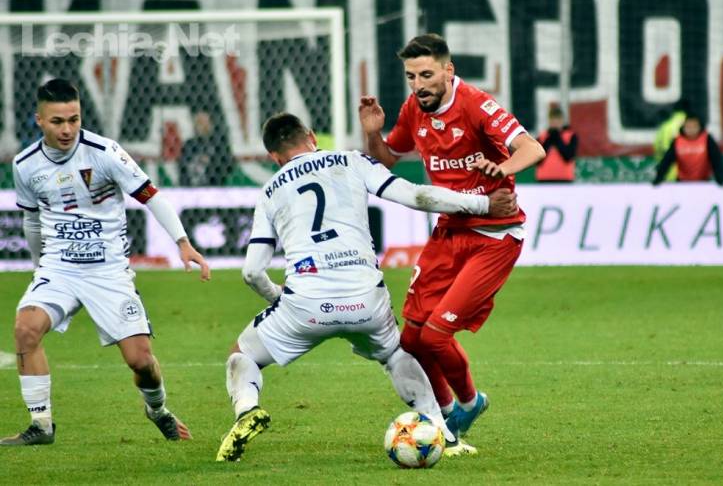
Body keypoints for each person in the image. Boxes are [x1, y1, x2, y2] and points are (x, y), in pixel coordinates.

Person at [215, 113, 519, 462]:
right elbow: (416, 195)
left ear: (274, 156)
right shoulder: (352, 160)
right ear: (312, 136)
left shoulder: (270, 191)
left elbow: (252, 272)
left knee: (242, 354)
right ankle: (443, 434)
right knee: (395, 355)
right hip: (365, 299)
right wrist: (482, 204)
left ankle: (247, 410)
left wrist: (279, 297)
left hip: (306, 304)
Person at [1, 78, 211, 446]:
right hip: (59, 268)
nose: (67, 130)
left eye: (74, 119)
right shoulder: (25, 164)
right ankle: (41, 424)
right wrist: (39, 266)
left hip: (108, 270)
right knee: (26, 329)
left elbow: (152, 196)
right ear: (39, 120)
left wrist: (182, 242)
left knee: (141, 361)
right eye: (57, 121)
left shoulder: (105, 152)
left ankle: (157, 409)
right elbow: (32, 221)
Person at [358, 33, 545, 439]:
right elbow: (387, 159)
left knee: (436, 335)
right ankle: (444, 417)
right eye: (411, 77)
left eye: (426, 75)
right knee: (412, 339)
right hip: (448, 231)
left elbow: (533, 149)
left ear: (448, 70)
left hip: (494, 237)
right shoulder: (413, 109)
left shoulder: (476, 104)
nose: (418, 85)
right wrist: (373, 134)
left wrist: (502, 168)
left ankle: (470, 403)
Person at [653, 113, 723, 186]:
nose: (691, 130)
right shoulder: (677, 141)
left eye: (694, 127)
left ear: (699, 127)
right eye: (688, 127)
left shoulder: (707, 139)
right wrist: (659, 178)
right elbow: (667, 161)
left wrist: (719, 178)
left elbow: (716, 159)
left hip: (703, 182)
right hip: (682, 182)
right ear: (683, 127)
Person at [179, 110, 232, 186]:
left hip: (214, 186)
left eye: (202, 122)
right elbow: (183, 169)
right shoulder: (189, 144)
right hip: (192, 186)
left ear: (210, 123)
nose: (200, 126)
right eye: (197, 122)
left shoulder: (219, 143)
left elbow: (227, 166)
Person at [535, 106, 578, 182]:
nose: (555, 123)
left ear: (562, 121)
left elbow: (569, 157)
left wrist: (557, 139)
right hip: (544, 179)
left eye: (557, 120)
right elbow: (537, 161)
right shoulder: (541, 137)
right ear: (549, 121)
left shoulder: (571, 136)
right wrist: (549, 140)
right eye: (552, 120)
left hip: (565, 179)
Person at [653, 98, 690, 182]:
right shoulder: (693, 127)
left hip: (669, 173)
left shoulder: (665, 127)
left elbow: (657, 147)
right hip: (689, 173)